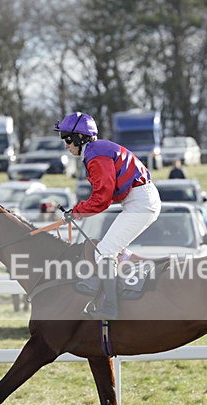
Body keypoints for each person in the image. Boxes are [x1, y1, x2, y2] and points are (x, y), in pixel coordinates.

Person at [55, 111, 161, 320]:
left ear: (80, 137)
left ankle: (111, 308)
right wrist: (78, 211)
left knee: (104, 251)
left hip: (140, 203)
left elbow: (102, 197)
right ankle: (113, 288)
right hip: (139, 201)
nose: (66, 145)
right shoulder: (96, 151)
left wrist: (76, 212)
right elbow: (106, 195)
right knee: (108, 249)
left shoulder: (96, 154)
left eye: (67, 139)